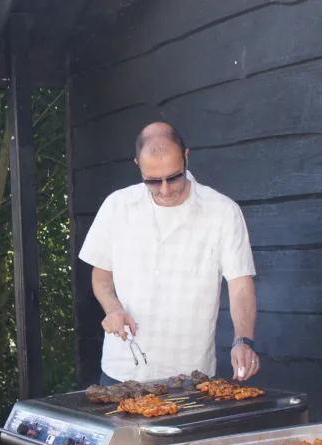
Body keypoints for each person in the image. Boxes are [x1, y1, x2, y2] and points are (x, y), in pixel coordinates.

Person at [79, 122, 259, 385]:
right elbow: (101, 272)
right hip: (121, 371)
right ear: (138, 164)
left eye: (173, 177)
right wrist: (113, 308)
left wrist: (243, 340)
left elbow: (240, 284)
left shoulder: (223, 211)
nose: (165, 189)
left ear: (186, 157)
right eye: (153, 181)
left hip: (189, 373)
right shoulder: (116, 206)